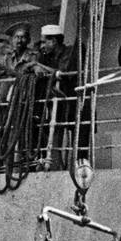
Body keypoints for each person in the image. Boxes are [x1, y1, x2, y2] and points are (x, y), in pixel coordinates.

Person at [31, 24, 78, 169]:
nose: (42, 46)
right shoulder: (46, 56)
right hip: (56, 102)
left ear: (54, 41)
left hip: (73, 100)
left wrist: (38, 65)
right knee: (53, 131)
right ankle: (56, 165)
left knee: (78, 136)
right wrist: (35, 65)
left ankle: (77, 167)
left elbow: (63, 72)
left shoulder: (70, 52)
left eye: (45, 42)